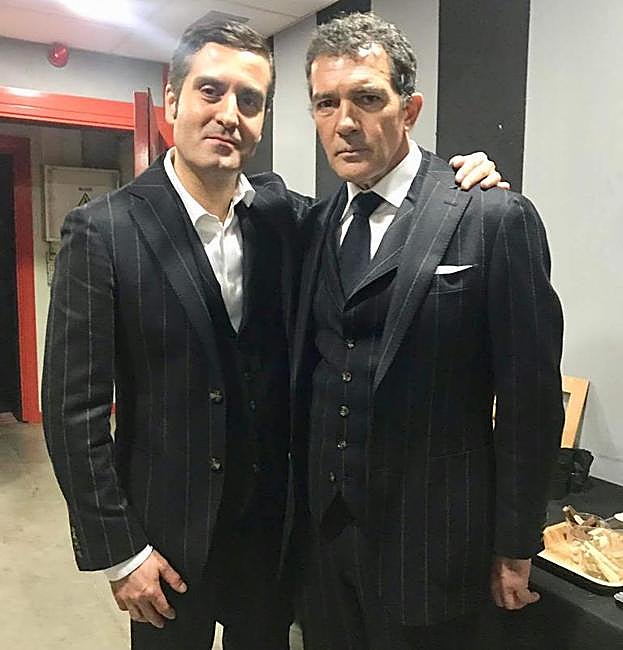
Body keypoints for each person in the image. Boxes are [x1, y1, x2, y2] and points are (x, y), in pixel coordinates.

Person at [41, 16, 503, 650]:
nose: (228, 115)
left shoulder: (288, 218)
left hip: (275, 537)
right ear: (172, 100)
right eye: (210, 91)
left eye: (250, 100)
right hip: (164, 539)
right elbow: (74, 411)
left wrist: (462, 173)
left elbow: (391, 197)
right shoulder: (103, 231)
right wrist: (119, 550)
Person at [287, 12, 565, 650]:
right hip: (323, 540)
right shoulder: (313, 225)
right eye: (326, 103)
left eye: (366, 98)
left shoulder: (491, 217)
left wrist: (516, 543)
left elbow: (529, 399)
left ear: (409, 109)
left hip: (433, 543)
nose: (344, 122)